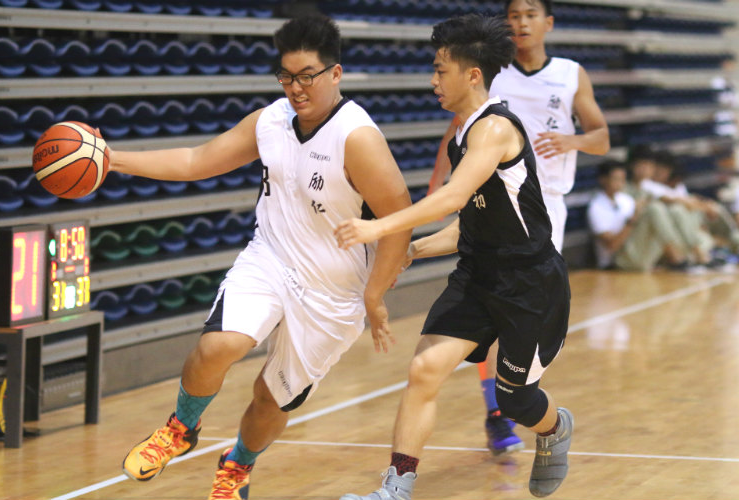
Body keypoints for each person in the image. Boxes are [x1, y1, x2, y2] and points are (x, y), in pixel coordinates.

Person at [114, 15, 412, 500]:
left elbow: (399, 218)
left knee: (271, 400)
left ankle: (237, 465)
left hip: (333, 293)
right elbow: (195, 161)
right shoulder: (270, 121)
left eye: (308, 75)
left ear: (335, 74)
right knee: (218, 346)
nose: (296, 87)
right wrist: (113, 158)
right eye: (287, 76)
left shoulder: (358, 138)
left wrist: (375, 295)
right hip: (271, 259)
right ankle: (180, 429)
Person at [335, 14, 573, 499]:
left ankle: (554, 429)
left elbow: (452, 196)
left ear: (472, 75)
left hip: (529, 283)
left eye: (441, 70)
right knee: (423, 369)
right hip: (478, 275)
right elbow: (470, 219)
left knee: (515, 400)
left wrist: (379, 228)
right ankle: (395, 488)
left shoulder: (495, 130)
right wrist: (417, 249)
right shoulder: (464, 133)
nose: (433, 79)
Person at [430, 0, 609, 456]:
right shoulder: (491, 73)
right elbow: (456, 134)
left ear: (547, 23)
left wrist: (571, 140)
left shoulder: (571, 73)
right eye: (513, 15)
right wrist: (439, 192)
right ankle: (496, 410)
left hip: (544, 208)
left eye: (530, 14)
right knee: (485, 301)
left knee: (516, 315)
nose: (521, 22)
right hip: (489, 200)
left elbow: (602, 137)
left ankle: (517, 400)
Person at [587, 160, 689, 271]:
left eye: (622, 179)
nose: (620, 183)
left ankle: (680, 254)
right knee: (654, 210)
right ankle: (675, 257)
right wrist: (632, 220)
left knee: (665, 210)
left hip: (633, 250)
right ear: (603, 180)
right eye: (616, 179)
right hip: (616, 260)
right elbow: (612, 246)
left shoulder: (625, 199)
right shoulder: (596, 207)